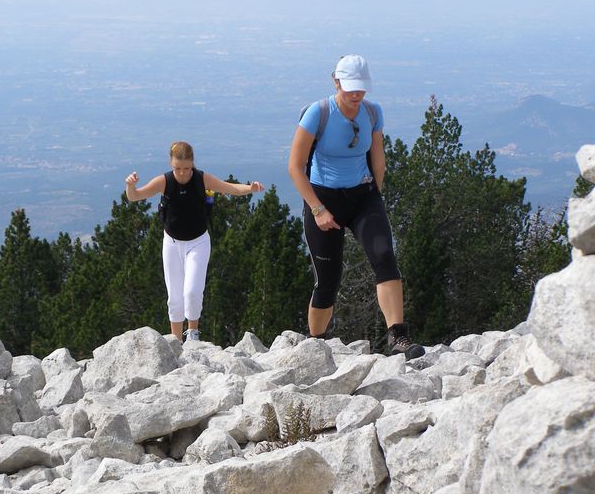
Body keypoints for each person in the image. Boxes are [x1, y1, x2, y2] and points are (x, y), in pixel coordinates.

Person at [287, 54, 422, 357]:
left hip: (363, 196)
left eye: (361, 88)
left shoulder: (373, 113)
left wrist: (376, 195)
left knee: (385, 256)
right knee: (328, 279)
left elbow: (378, 157)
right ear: (336, 81)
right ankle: (317, 344)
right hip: (323, 198)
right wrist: (318, 209)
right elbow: (295, 167)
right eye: (350, 87)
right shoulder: (317, 113)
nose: (356, 94)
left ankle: (398, 338)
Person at [125, 141, 264, 342]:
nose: (182, 173)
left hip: (198, 242)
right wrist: (130, 185)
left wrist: (250, 188)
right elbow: (135, 197)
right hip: (171, 243)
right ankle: (175, 340)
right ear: (171, 164)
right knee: (174, 296)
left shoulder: (202, 179)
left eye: (186, 168)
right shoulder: (164, 181)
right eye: (177, 168)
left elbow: (229, 188)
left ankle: (192, 334)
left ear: (193, 164)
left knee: (192, 291)